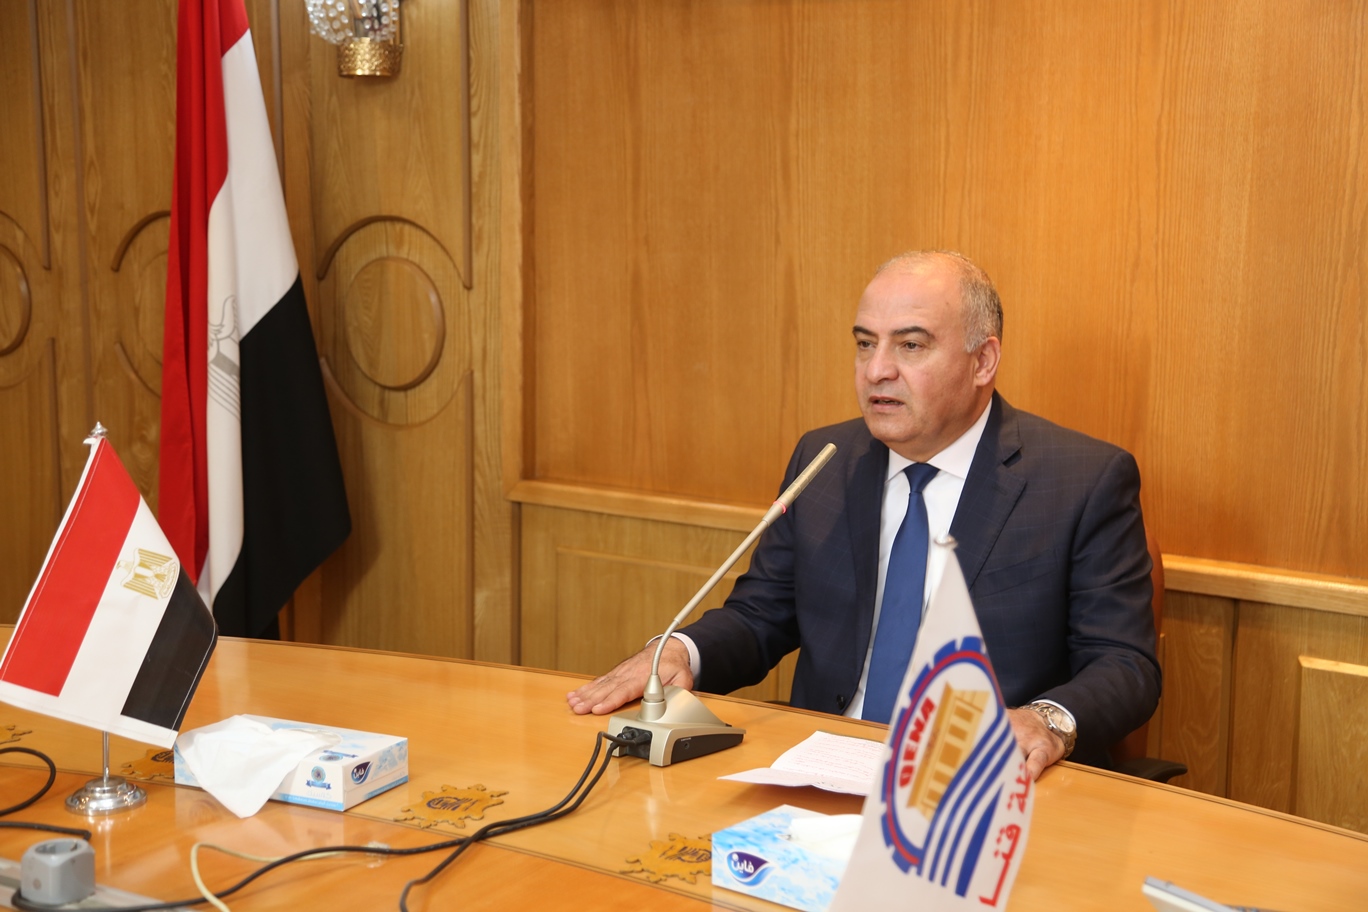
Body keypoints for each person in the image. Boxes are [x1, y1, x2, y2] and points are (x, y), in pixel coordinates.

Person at [568, 251, 1160, 778]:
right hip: (820, 765)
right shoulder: (825, 459)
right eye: (864, 343)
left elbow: (1124, 664)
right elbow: (761, 614)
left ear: (983, 360)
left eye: (910, 345)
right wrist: (681, 651)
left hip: (973, 782)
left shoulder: (1079, 480)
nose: (877, 370)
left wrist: (1044, 719)